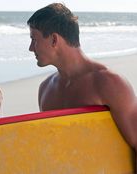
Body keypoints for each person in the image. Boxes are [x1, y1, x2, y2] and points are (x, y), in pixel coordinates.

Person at [27, 3, 137, 170]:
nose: (30, 48)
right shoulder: (45, 89)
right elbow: (56, 149)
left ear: (54, 39)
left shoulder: (109, 83)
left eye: (34, 39)